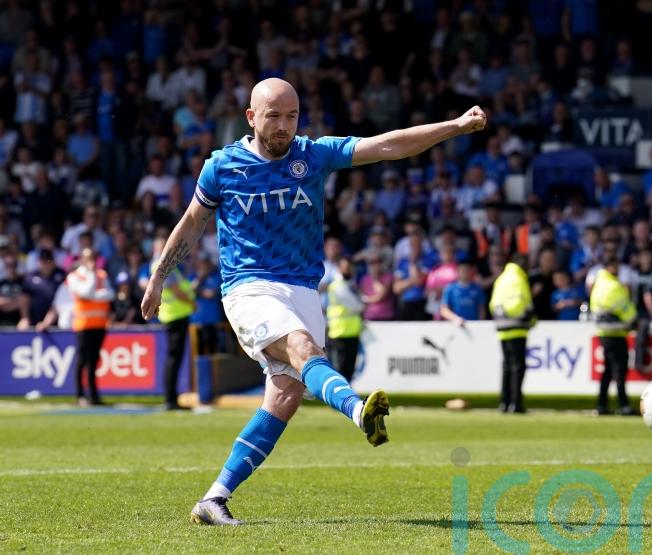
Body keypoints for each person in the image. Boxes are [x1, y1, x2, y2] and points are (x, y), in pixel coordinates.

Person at [140, 78, 487, 525]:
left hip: (303, 290)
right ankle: (359, 411)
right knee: (304, 350)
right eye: (273, 116)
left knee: (284, 397)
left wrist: (455, 127)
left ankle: (214, 498)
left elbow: (386, 146)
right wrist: (158, 277)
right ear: (251, 117)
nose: (284, 126)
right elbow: (191, 223)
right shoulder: (222, 167)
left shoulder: (313, 155)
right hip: (249, 288)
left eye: (291, 116)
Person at [150, 237, 196, 409]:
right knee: (173, 359)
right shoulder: (161, 265)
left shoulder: (166, 265)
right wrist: (192, 303)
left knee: (174, 358)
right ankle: (170, 399)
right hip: (175, 315)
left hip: (175, 315)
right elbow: (176, 290)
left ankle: (171, 397)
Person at [590, 255, 637, 415]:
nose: (617, 270)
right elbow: (624, 308)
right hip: (616, 332)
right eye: (615, 266)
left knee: (608, 370)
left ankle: (602, 404)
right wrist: (633, 320)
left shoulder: (599, 284)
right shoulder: (613, 286)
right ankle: (623, 405)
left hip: (604, 331)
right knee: (619, 370)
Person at [489, 253, 536, 414]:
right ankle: (516, 404)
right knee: (518, 367)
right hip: (517, 327)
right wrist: (529, 317)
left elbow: (493, 303)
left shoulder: (501, 278)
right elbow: (521, 303)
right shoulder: (518, 279)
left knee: (507, 366)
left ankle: (504, 402)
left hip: (501, 327)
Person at [67, 248, 113, 406]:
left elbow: (110, 294)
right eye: (88, 258)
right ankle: (79, 394)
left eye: (93, 257)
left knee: (94, 361)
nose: (91, 261)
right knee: (82, 360)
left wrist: (95, 294)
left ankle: (94, 395)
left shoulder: (102, 274)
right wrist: (95, 288)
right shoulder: (74, 276)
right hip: (83, 325)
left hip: (100, 324)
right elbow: (86, 292)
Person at [326, 257, 364, 381]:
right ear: (339, 268)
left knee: (349, 370)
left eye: (350, 268)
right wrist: (362, 303)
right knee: (339, 370)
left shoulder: (350, 285)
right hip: (338, 333)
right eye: (345, 267)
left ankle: (347, 398)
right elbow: (357, 305)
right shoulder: (337, 286)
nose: (348, 270)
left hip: (352, 332)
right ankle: (340, 398)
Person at [440, 257, 486, 325]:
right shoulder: (450, 289)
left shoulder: (477, 289)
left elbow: (481, 309)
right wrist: (455, 319)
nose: (464, 273)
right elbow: (444, 310)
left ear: (471, 272)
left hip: (473, 325)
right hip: (456, 325)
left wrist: (480, 323)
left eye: (467, 270)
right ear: (457, 271)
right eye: (462, 270)